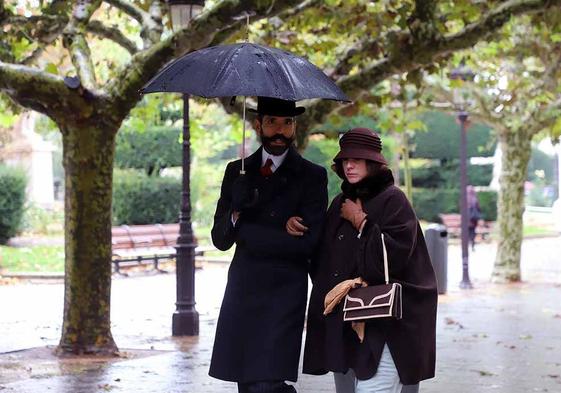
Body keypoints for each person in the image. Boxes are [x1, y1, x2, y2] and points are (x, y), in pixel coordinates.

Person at [301, 128, 437, 393]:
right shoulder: (341, 201)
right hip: (345, 321)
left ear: (373, 163)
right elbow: (324, 260)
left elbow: (395, 257)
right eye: (345, 160)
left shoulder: (393, 200)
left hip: (385, 323)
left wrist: (361, 221)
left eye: (358, 159)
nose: (349, 165)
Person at [209, 96, 328, 393]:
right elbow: (221, 239)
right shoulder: (237, 172)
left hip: (285, 292)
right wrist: (236, 210)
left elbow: (309, 243)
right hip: (243, 290)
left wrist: (250, 230)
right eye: (272, 122)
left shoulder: (312, 176)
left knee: (268, 384)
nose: (280, 131)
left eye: (287, 123)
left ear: (295, 126)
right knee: (248, 384)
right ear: (259, 124)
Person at [467, 185, 482, 251]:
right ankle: (472, 244)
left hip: (467, 219)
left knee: (467, 231)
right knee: (473, 231)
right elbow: (479, 208)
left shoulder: (465, 199)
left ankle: (467, 244)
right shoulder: (475, 199)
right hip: (473, 219)